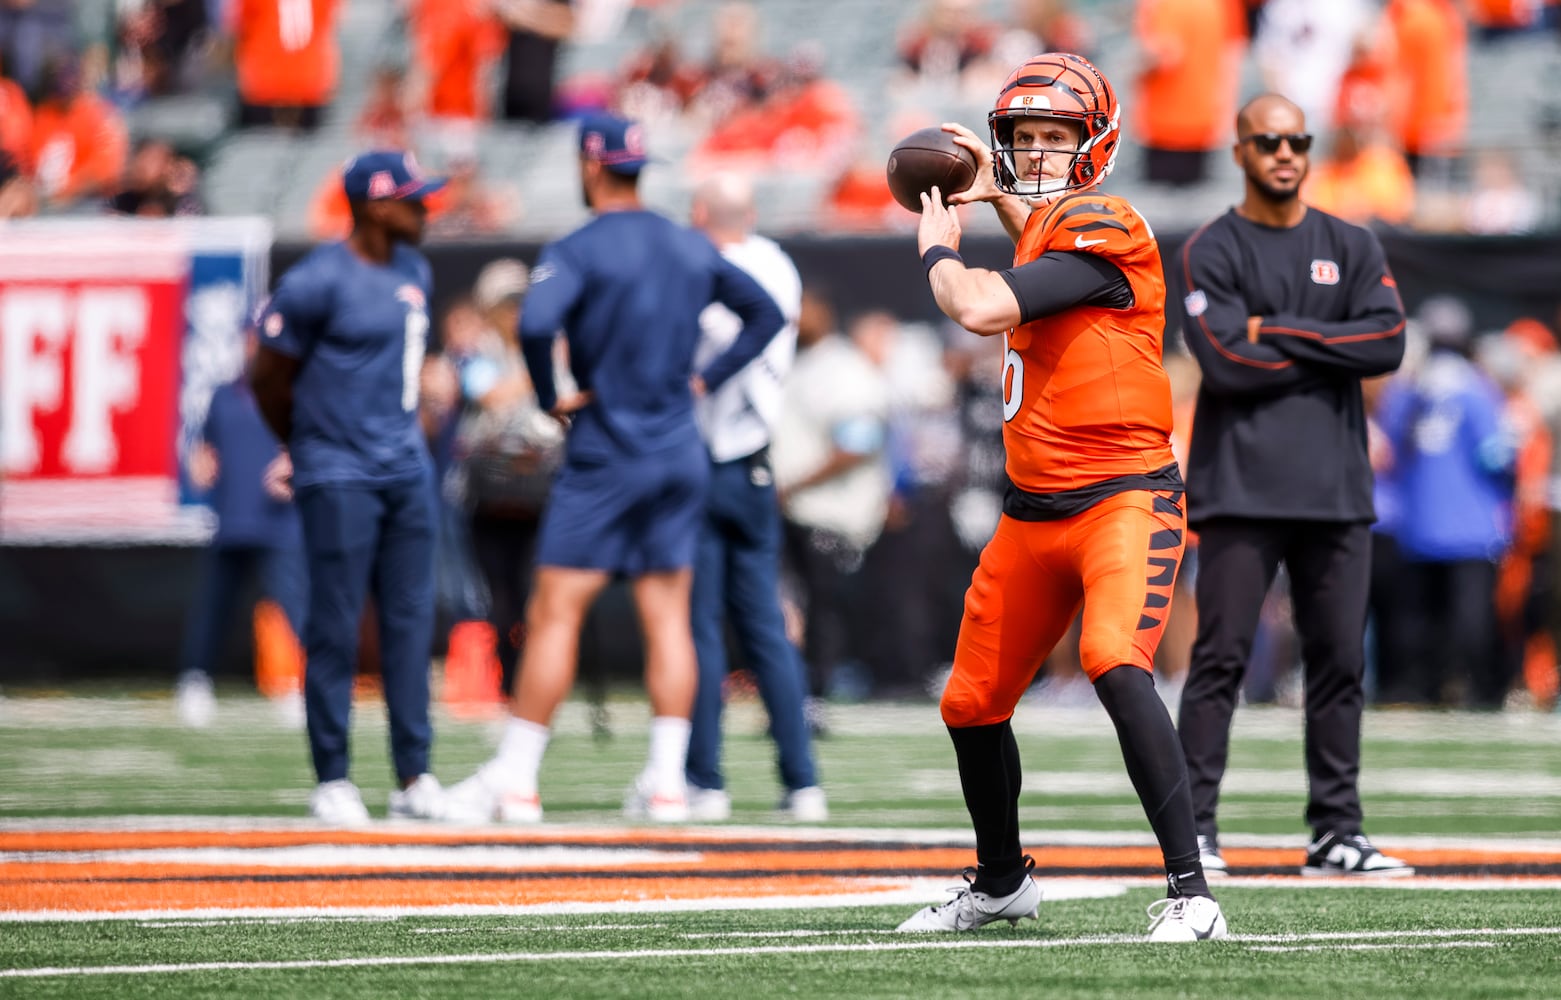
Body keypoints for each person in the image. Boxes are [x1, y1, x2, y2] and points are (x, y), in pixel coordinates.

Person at [895, 52, 1225, 942]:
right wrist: (995, 193)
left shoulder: (1107, 225)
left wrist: (936, 243)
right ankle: (1002, 882)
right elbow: (1037, 238)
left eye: (1055, 137)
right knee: (969, 701)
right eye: (1023, 139)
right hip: (1031, 509)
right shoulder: (1049, 227)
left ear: (1095, 146)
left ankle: (1192, 892)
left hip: (1122, 497)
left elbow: (979, 306)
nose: (1037, 154)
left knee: (1114, 659)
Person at [447, 113, 784, 824]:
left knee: (554, 611)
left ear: (590, 166)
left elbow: (535, 325)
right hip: (677, 449)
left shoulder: (579, 246)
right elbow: (763, 312)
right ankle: (666, 783)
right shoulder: (685, 245)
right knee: (668, 619)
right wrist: (706, 378)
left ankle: (515, 778)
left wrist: (548, 396)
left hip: (606, 447)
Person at [1176, 93, 1412, 878]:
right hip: (1239, 489)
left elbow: (1384, 343)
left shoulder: (1349, 241)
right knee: (1221, 661)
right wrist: (1326, 343)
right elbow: (1223, 364)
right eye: (1267, 140)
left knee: (1339, 661)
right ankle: (1195, 833)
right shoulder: (1211, 248)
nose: (1284, 152)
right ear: (1239, 150)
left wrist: (1272, 328)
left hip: (1335, 491)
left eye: (1296, 140)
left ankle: (1334, 833)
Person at [250, 150, 451, 826]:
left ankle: (414, 774)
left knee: (409, 624)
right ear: (374, 205)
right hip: (339, 471)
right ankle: (332, 776)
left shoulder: (415, 270)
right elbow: (268, 379)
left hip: (405, 468)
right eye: (413, 199)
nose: (425, 209)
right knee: (334, 623)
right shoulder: (316, 281)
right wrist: (309, 443)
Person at [683, 172, 826, 823]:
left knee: (702, 626)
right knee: (765, 628)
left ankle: (703, 779)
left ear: (701, 211)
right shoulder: (778, 262)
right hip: (756, 460)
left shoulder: (708, 266)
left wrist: (699, 377)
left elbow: (718, 335)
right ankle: (801, 781)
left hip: (710, 454)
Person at [175, 330, 307, 729]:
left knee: (295, 608)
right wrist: (200, 465)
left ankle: (299, 687)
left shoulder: (295, 394)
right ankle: (195, 681)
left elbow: (317, 445)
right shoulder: (223, 396)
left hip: (280, 524)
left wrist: (293, 466)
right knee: (214, 606)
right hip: (232, 519)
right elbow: (202, 451)